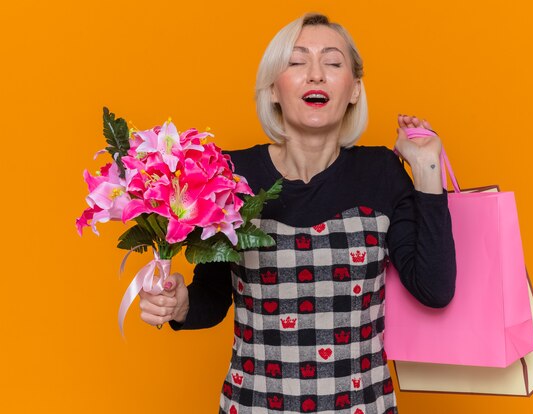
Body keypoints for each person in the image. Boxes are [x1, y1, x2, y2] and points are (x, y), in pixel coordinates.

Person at [138, 13, 456, 414]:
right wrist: (179, 305)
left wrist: (427, 168)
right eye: (297, 61)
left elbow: (435, 290)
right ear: (273, 88)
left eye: (333, 62)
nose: (316, 75)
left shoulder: (381, 174)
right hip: (253, 405)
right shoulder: (232, 176)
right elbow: (214, 296)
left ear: (355, 89)